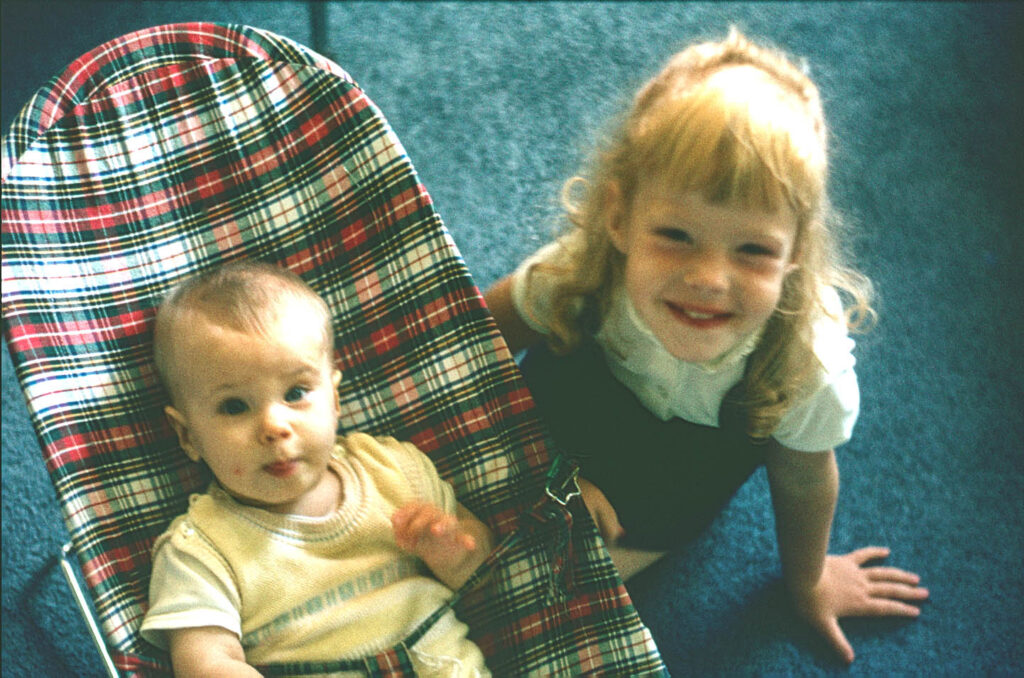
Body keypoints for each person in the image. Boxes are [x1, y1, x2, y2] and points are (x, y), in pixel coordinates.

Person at [484, 28, 928, 664]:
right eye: (675, 235)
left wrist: (808, 581)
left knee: (519, 610)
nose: (709, 280)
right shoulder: (584, 273)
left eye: (752, 250)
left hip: (656, 497)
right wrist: (541, 471)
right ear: (618, 218)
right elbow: (482, 330)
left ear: (795, 251)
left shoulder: (807, 365)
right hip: (544, 429)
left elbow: (804, 478)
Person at [140, 261, 493, 677]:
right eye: (235, 406)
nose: (275, 426)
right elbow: (205, 662)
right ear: (189, 437)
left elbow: (482, 570)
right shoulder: (201, 550)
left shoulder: (394, 470)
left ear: (335, 401)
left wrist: (455, 554)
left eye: (296, 393)